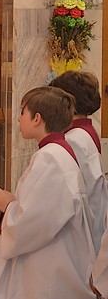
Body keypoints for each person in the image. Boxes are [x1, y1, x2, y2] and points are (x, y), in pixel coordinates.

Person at [0, 86, 97, 299]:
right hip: (51, 269)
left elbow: (34, 222)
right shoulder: (56, 152)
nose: (18, 119)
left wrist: (8, 206)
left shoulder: (51, 157)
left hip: (48, 278)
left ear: (37, 118)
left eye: (23, 112)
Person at [49, 70, 107, 252]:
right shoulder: (85, 132)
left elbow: (68, 191)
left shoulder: (74, 139)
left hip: (80, 228)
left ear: (69, 104)